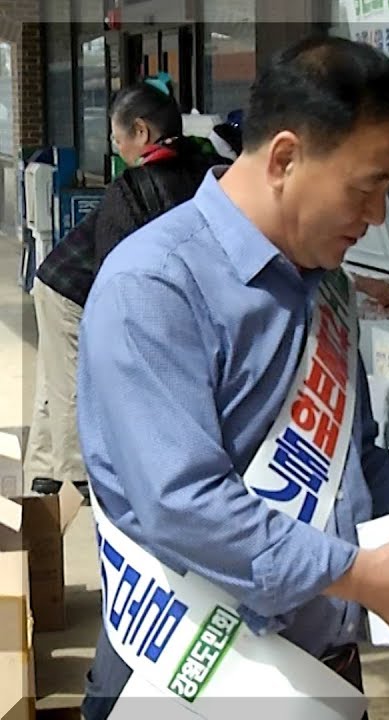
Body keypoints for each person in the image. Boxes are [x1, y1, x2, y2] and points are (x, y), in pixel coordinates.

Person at [77, 36, 389, 719]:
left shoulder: (323, 285)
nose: (374, 219)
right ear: (284, 157)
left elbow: (359, 469)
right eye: (368, 188)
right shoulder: (155, 285)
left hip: (323, 680)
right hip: (189, 677)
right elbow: (183, 502)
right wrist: (359, 577)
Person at [25, 76, 231, 498]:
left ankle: (46, 468)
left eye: (119, 139)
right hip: (69, 288)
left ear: (141, 131)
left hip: (69, 278)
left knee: (59, 376)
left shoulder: (161, 177)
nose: (118, 150)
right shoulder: (195, 170)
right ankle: (85, 479)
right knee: (73, 385)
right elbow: (116, 280)